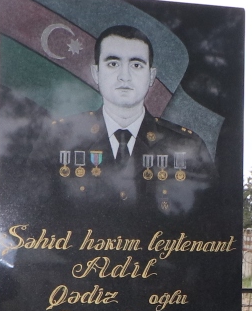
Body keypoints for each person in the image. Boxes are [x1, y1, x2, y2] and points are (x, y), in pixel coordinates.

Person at [43, 24, 212, 211]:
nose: (125, 76)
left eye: (136, 65)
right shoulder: (57, 139)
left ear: (151, 76)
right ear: (96, 73)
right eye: (113, 64)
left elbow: (210, 220)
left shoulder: (189, 146)